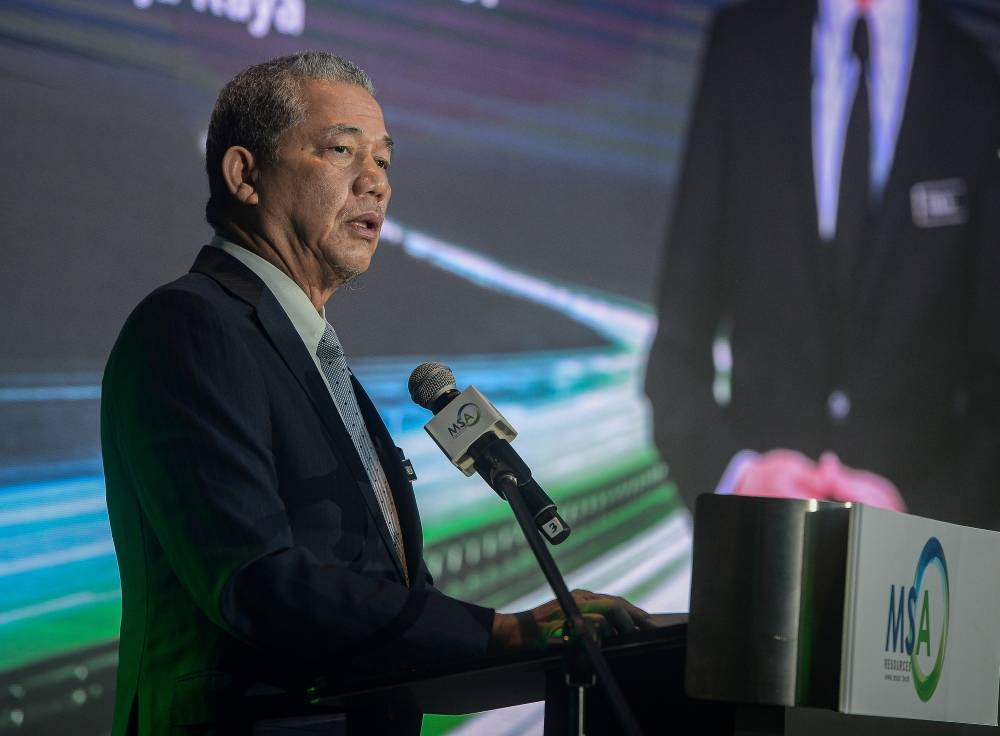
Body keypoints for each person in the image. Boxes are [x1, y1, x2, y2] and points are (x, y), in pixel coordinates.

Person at [101, 51, 653, 736]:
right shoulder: (190, 326)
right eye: (342, 151)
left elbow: (387, 617)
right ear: (245, 175)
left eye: (385, 161)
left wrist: (528, 641)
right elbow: (256, 583)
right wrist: (500, 632)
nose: (377, 183)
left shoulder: (325, 369)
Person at [644, 0, 1000, 529]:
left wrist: (920, 515)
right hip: (755, 541)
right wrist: (735, 476)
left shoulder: (974, 77)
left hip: (914, 561)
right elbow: (678, 340)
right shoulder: (743, 49)